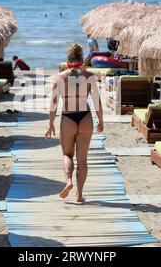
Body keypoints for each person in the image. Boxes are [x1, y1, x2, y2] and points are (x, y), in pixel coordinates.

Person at [45, 43, 104, 203]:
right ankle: (79, 194)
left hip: (68, 117)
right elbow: (97, 101)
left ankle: (69, 180)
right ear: (82, 58)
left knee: (67, 154)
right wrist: (101, 121)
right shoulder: (89, 76)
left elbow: (53, 103)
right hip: (85, 117)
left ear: (68, 59)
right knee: (83, 159)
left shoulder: (60, 77)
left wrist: (51, 124)